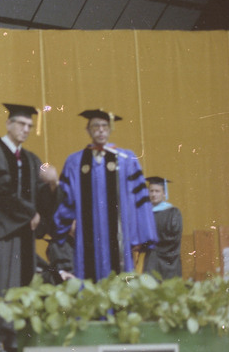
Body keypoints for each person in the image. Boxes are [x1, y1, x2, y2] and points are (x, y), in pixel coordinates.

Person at [0, 103, 54, 352]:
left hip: (21, 233)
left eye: (29, 126)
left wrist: (52, 185)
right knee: (0, 284)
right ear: (8, 124)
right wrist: (29, 214)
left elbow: (41, 193)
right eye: (21, 124)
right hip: (1, 233)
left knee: (20, 284)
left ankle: (16, 338)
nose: (26, 129)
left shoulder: (30, 159)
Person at [53, 109, 157, 281]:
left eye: (104, 126)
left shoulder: (126, 158)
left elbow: (138, 199)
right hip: (87, 236)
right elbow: (66, 198)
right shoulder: (75, 161)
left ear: (110, 130)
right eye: (95, 126)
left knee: (120, 277)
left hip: (119, 235)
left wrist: (140, 234)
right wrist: (61, 225)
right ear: (88, 130)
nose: (100, 130)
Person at [143, 176, 183, 279]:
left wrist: (152, 243)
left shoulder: (173, 212)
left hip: (170, 260)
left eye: (157, 191)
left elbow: (174, 237)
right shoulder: (146, 213)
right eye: (151, 191)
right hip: (152, 259)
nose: (154, 194)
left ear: (164, 193)